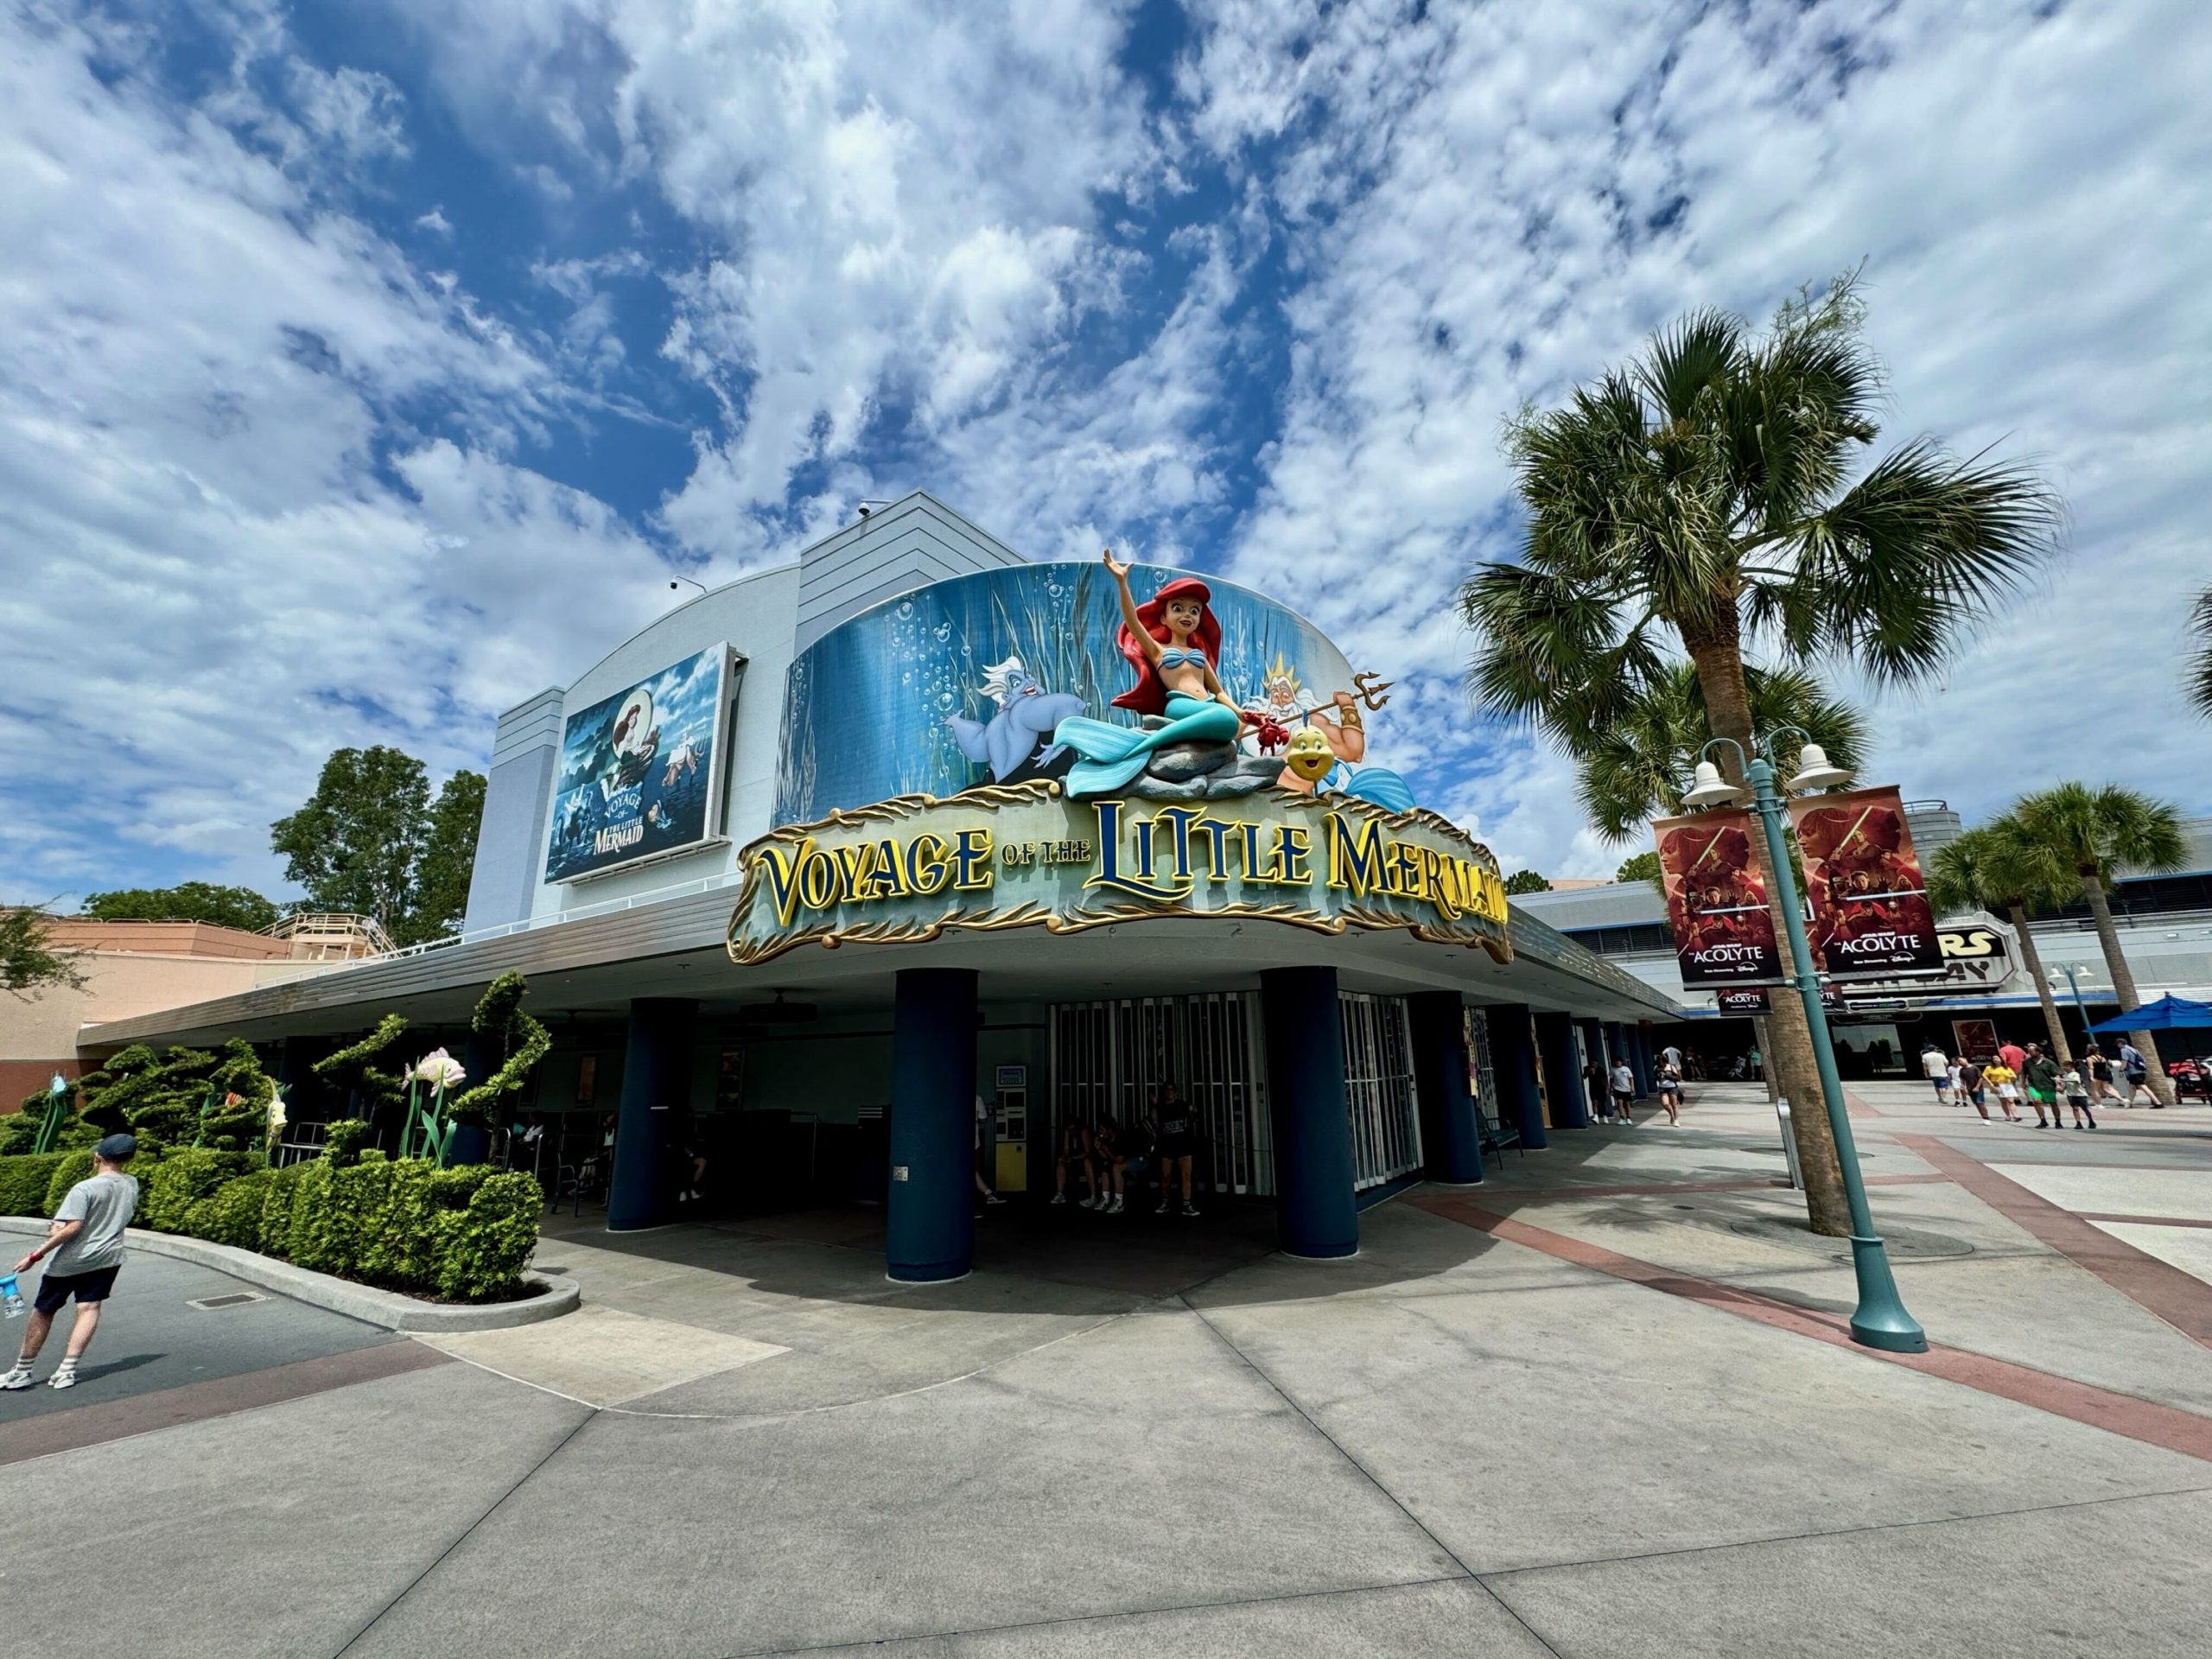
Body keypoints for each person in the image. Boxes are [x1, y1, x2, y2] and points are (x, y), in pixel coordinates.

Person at [3, 1134, 140, 1391]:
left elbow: (73, 1227)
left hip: (71, 1260)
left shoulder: (85, 1188)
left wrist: (35, 1255)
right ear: (129, 1159)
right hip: (108, 1258)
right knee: (89, 1308)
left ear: (98, 1156)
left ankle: (22, 1370)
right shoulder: (131, 1184)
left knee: (43, 1311)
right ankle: (66, 1371)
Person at [1154, 1084, 1199, 1216]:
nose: (1169, 1092)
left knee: (1186, 1176)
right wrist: (1155, 1106)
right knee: (1166, 1176)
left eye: (1172, 1089)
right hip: (1167, 1146)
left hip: (1183, 1145)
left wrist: (1192, 1111)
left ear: (1175, 1091)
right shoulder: (1160, 1107)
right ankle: (1165, 1202)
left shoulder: (1183, 1105)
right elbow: (1155, 1122)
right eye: (1167, 1090)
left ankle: (1186, 1204)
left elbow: (1193, 1117)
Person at [1084, 1118, 1127, 1213]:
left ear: (1109, 1129)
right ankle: (1105, 1200)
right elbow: (1106, 1157)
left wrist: (1106, 1150)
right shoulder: (1105, 1139)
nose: (1100, 1132)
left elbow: (1119, 1160)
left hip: (1125, 1162)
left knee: (1115, 1167)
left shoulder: (1120, 1137)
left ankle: (1119, 1202)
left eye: (1102, 1130)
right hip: (1113, 1161)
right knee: (1105, 1169)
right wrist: (1099, 1148)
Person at [1049, 1120, 1096, 1206]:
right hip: (1073, 1159)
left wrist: (1074, 1158)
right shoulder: (1068, 1132)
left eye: (1072, 1129)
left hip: (1083, 1158)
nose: (1070, 1131)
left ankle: (1093, 1196)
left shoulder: (1083, 1131)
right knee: (1060, 1162)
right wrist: (1065, 1156)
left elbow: (1087, 1151)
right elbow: (1066, 1149)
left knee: (1087, 1163)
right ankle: (1060, 1193)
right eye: (1069, 1129)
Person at [973, 1096, 1007, 1210]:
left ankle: (988, 1194)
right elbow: (983, 1118)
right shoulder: (977, 1098)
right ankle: (988, 1194)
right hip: (973, 1142)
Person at [2023, 1044, 2063, 1128]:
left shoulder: (2048, 1062)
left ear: (2038, 1051)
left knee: (2053, 1103)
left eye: (2031, 1051)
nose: (2030, 1053)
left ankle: (2058, 1121)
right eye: (2029, 1051)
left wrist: (2058, 1084)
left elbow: (2057, 1074)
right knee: (2037, 1102)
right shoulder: (2026, 1062)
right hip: (2033, 1085)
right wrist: (2023, 1082)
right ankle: (2043, 1120)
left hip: (2047, 1085)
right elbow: (2024, 1073)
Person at [1982, 1055, 2021, 1122]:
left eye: (1997, 1058)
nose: (1995, 1059)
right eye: (1994, 1058)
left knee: (2011, 1101)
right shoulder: (1989, 1068)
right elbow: (1984, 1075)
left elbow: (2014, 1077)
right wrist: (1990, 1083)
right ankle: (2009, 1116)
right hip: (1997, 1085)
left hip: (2007, 1085)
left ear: (2001, 1060)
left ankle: (2015, 1115)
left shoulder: (2006, 1068)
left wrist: (2010, 1076)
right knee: (2003, 1101)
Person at [2118, 1040, 2157, 1107]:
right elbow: (2143, 1060)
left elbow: (2124, 1061)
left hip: (2134, 1072)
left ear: (2120, 1044)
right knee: (2132, 1087)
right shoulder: (2134, 1049)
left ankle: (2157, 1102)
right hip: (2140, 1071)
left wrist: (2121, 1071)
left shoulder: (2124, 1050)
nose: (2118, 1046)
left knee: (2143, 1087)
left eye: (2117, 1044)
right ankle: (2129, 1103)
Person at [2062, 1062, 2097, 1130]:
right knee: (2075, 1108)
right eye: (2064, 1067)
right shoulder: (2065, 1075)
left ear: (2071, 1067)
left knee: (2085, 1109)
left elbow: (2076, 1081)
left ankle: (2091, 1120)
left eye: (2067, 1066)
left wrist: (2064, 1080)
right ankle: (2078, 1123)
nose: (2065, 1068)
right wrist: (2062, 1088)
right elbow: (2066, 1085)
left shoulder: (2075, 1074)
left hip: (2080, 1094)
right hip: (2071, 1094)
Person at [1957, 1056, 1992, 1122]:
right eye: (1958, 1061)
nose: (1959, 1062)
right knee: (1976, 1103)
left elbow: (1981, 1078)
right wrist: (1964, 1088)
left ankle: (1987, 1117)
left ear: (1965, 1059)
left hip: (1978, 1089)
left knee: (1980, 1103)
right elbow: (1962, 1080)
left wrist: (1977, 1087)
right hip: (1969, 1089)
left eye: (1960, 1060)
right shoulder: (1962, 1070)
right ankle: (1984, 1118)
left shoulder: (1974, 1068)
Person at [2085, 1043, 2120, 1107]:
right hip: (2105, 1075)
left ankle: (2098, 1104)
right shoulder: (2103, 1057)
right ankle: (2122, 1100)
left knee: (2094, 1090)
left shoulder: (2089, 1058)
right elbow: (2108, 1065)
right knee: (2109, 1089)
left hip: (2097, 1075)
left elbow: (2091, 1068)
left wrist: (2091, 1076)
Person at [1920, 1041, 1954, 1105]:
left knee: (1937, 1086)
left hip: (1933, 1073)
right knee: (1943, 1086)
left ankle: (1939, 1097)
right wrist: (1945, 1067)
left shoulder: (1925, 1056)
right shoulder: (1940, 1055)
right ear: (1935, 1049)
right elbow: (1946, 1063)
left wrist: (1925, 1072)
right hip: (1942, 1073)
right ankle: (1944, 1098)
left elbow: (1924, 1065)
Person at [1655, 1059, 1683, 1126]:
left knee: (1674, 1104)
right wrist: (1658, 1076)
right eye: (1660, 1065)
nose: (1661, 1066)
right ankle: (1671, 1115)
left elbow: (1678, 1078)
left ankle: (1676, 1120)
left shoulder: (1671, 1067)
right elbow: (1654, 1078)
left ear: (1665, 1062)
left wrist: (1665, 1075)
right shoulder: (1656, 1068)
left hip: (1672, 1087)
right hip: (1663, 1088)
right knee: (1665, 1104)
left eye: (1662, 1064)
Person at [1608, 1058, 1637, 1125]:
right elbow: (1611, 1080)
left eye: (1618, 1061)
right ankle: (1622, 1118)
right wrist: (1610, 1088)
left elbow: (1631, 1078)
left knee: (1626, 1103)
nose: (1617, 1063)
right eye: (1616, 1062)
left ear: (1621, 1062)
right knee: (1619, 1102)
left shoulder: (1626, 1069)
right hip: (1617, 1088)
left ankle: (1628, 1118)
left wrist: (1632, 1087)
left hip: (1626, 1088)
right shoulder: (1613, 1070)